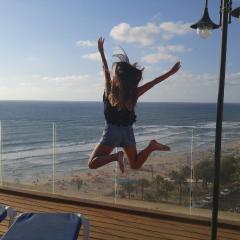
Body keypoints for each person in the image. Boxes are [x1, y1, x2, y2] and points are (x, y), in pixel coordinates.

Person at [88, 37, 181, 173]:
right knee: (135, 164)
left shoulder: (110, 91)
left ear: (117, 78)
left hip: (112, 132)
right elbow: (153, 82)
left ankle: (116, 156)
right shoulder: (133, 94)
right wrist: (170, 73)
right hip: (127, 132)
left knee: (92, 164)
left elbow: (105, 70)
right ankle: (151, 146)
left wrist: (101, 52)